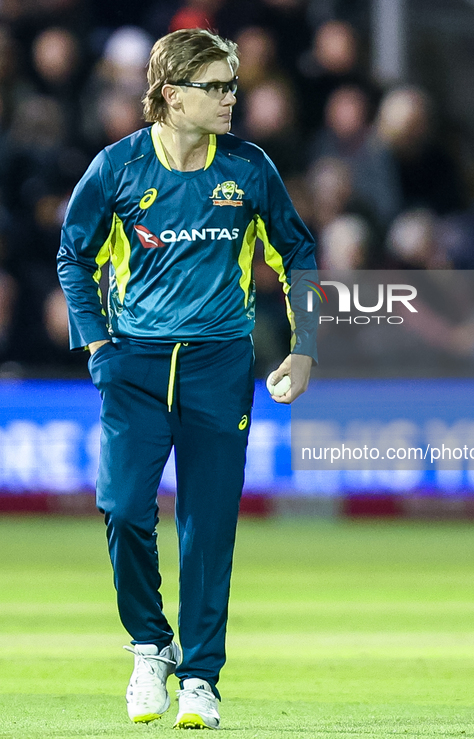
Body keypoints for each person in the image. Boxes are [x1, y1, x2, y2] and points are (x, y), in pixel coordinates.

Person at [57, 28, 316, 730]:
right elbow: (71, 258)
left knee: (208, 529)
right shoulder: (115, 169)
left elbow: (297, 253)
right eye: (217, 86)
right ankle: (151, 645)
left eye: (234, 85)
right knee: (123, 507)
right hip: (134, 367)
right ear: (171, 93)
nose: (233, 97)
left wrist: (305, 347)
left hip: (217, 366)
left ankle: (200, 677)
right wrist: (99, 343)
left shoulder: (249, 168)